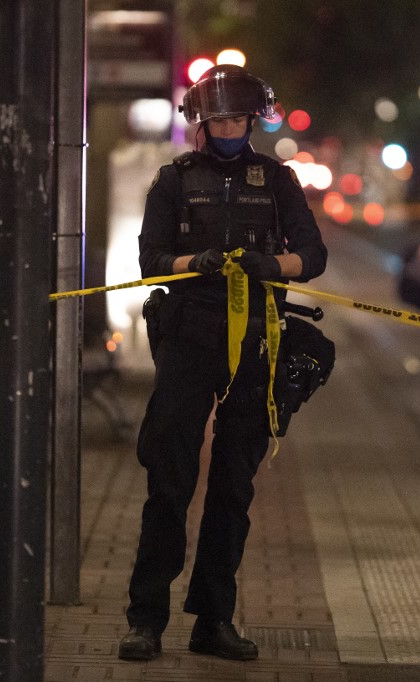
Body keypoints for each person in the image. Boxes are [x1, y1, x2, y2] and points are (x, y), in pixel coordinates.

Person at [118, 64, 328, 662]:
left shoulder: (280, 181)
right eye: (218, 119)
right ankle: (146, 620)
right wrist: (195, 263)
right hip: (190, 340)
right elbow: (151, 260)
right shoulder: (174, 181)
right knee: (170, 480)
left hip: (257, 342)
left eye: (237, 117)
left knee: (234, 486)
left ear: (252, 120)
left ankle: (213, 620)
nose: (228, 127)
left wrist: (274, 268)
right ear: (201, 123)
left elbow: (313, 255)